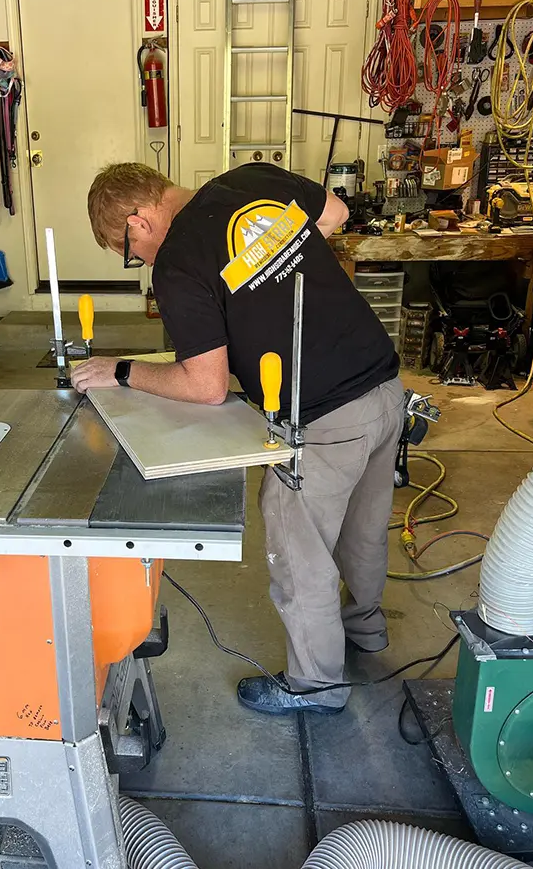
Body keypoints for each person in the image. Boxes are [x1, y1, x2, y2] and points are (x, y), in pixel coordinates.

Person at [74, 161, 403, 715]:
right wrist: (272, 266)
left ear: (139, 221)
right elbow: (336, 214)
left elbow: (206, 386)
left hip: (321, 418)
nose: (140, 261)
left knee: (301, 553)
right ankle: (366, 631)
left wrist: (123, 370)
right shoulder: (250, 179)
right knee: (364, 529)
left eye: (129, 250)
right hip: (384, 387)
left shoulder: (177, 261)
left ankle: (316, 686)